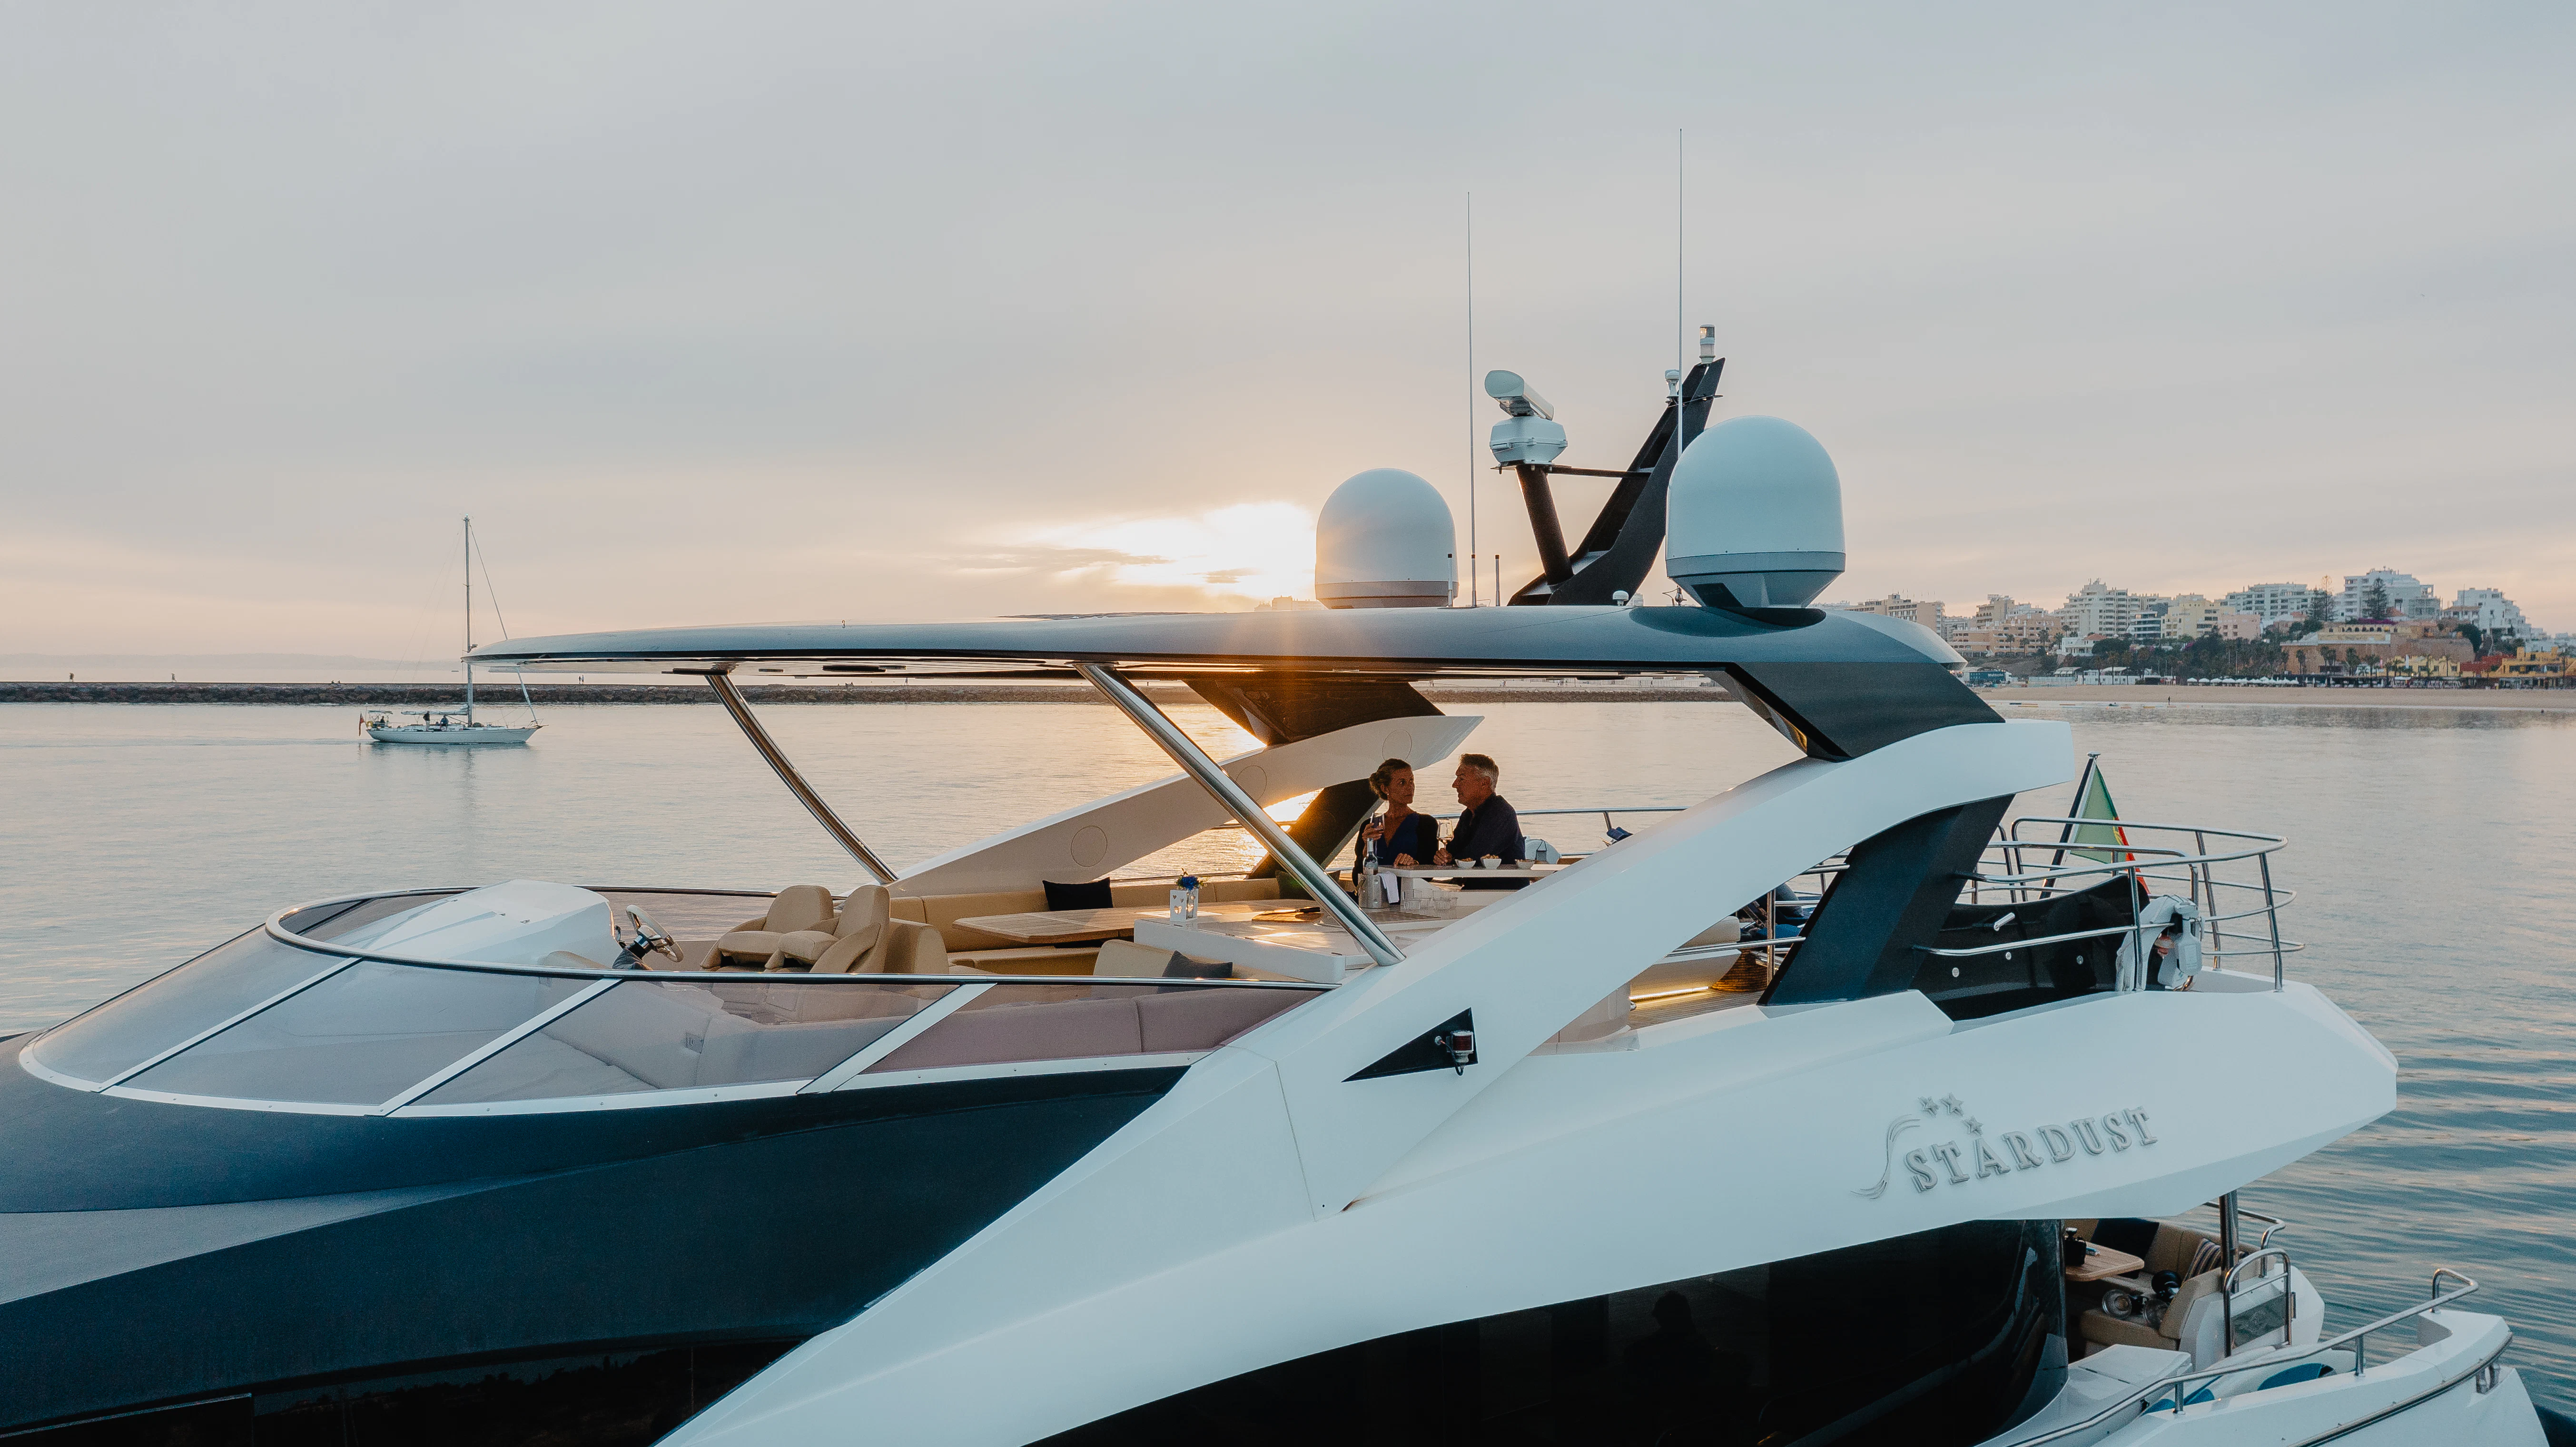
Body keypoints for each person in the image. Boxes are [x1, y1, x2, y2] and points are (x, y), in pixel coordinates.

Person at [1434, 753, 1522, 886]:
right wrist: (1443, 857)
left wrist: (1451, 858)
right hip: (1476, 888)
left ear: (1484, 783)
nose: (1455, 785)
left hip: (1502, 893)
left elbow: (1473, 857)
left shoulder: (1501, 813)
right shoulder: (1468, 815)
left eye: (1462, 779)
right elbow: (1453, 852)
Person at [1355, 758, 1439, 869]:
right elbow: (1357, 874)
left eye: (1411, 781)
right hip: (1375, 881)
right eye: (1402, 783)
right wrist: (1367, 846)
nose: (1410, 787)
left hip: (1408, 882)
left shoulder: (1427, 823)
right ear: (1385, 789)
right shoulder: (1369, 826)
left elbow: (1430, 870)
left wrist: (1414, 864)